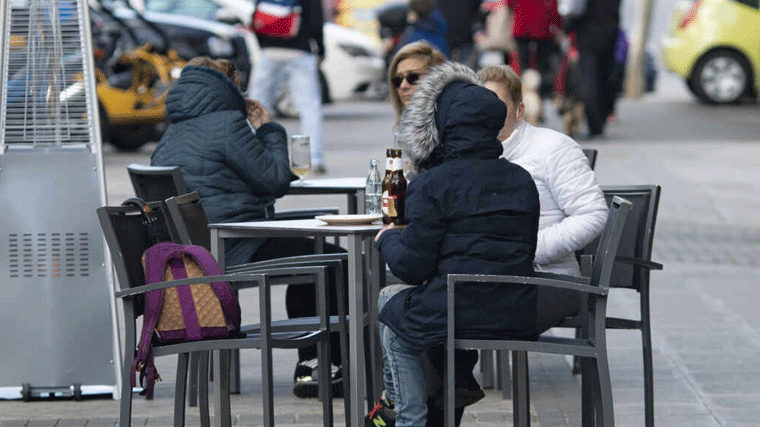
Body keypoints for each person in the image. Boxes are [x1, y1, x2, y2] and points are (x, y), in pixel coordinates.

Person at [150, 57, 347, 399]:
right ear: (228, 87)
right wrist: (269, 128)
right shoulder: (227, 124)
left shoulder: (172, 133)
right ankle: (325, 364)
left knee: (307, 252)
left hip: (195, 257)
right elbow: (273, 179)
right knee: (333, 260)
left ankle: (313, 362)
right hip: (232, 249)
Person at [372, 61, 541, 426]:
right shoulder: (521, 179)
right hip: (516, 308)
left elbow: (411, 267)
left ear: (442, 127)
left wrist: (386, 238)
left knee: (395, 320)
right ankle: (450, 388)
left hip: (458, 306)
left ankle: (409, 417)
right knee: (403, 307)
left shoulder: (433, 184)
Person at [478, 64, 608, 331]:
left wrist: (527, 251)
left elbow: (593, 214)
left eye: (497, 105)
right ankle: (461, 373)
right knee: (419, 308)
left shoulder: (553, 148)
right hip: (487, 277)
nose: (487, 114)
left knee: (442, 315)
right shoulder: (469, 154)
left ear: (520, 110)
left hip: (548, 279)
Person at [249, 0, 327, 173]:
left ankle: (249, 153)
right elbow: (316, 22)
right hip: (300, 52)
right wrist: (321, 50)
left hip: (270, 51)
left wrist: (264, 45)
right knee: (309, 107)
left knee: (257, 104)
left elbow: (254, 18)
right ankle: (314, 157)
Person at [564, 0, 623, 139]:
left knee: (590, 81)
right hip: (609, 34)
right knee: (604, 78)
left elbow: (574, 9)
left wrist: (567, 27)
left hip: (588, 36)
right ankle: (601, 120)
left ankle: (595, 124)